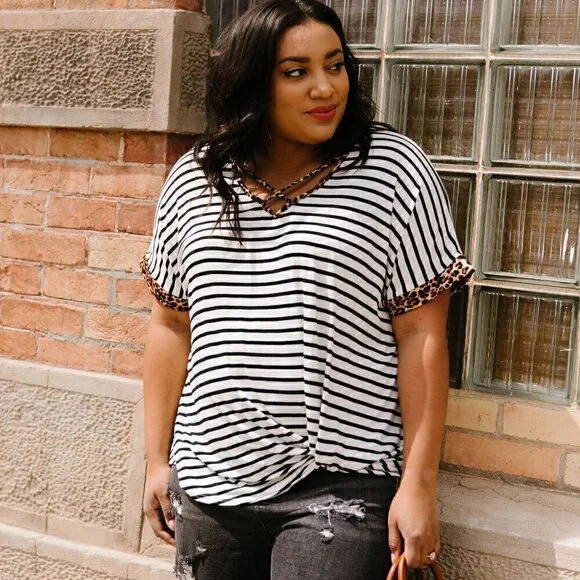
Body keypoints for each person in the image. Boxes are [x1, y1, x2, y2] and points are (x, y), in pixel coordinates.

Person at [140, 1, 475, 579]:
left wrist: (419, 485)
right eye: (297, 72)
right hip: (209, 482)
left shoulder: (392, 170)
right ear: (252, 84)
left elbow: (422, 338)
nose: (325, 88)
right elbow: (170, 325)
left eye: (335, 65)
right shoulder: (196, 178)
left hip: (340, 486)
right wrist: (155, 460)